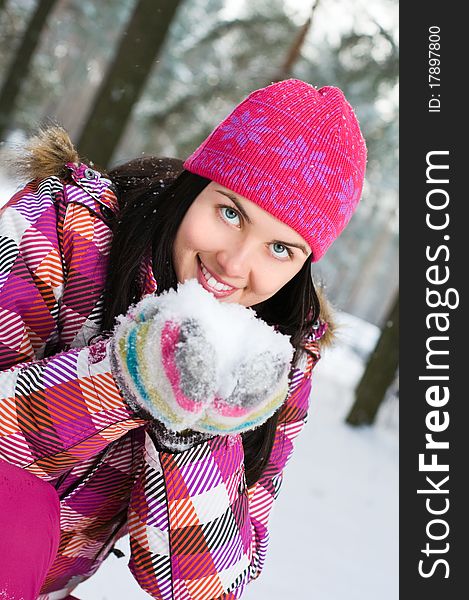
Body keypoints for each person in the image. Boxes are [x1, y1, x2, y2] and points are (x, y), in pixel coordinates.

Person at [0, 79, 366, 599]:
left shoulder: (278, 362)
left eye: (280, 249)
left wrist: (193, 428)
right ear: (196, 187)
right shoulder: (64, 230)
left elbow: (206, 587)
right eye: (231, 213)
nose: (235, 264)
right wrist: (131, 374)